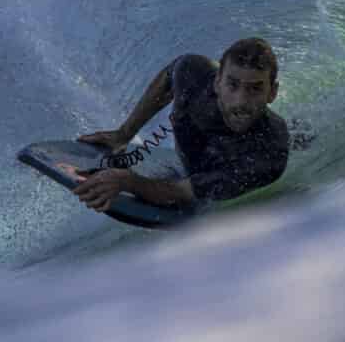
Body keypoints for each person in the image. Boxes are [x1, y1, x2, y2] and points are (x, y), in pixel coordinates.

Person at [74, 38, 289, 216]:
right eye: (232, 84)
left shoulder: (269, 153)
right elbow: (171, 74)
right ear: (217, 82)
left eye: (255, 89)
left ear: (272, 93)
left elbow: (181, 192)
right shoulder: (195, 74)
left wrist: (128, 182)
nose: (240, 101)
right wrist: (124, 134)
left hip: (217, 176)